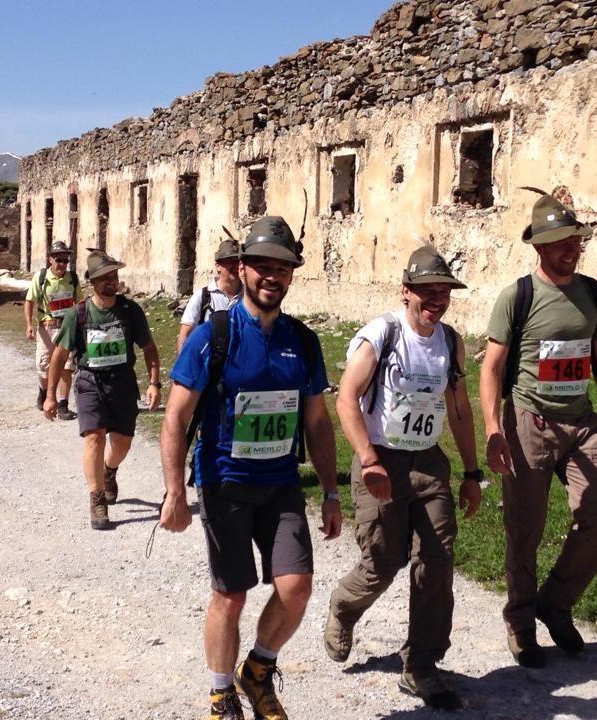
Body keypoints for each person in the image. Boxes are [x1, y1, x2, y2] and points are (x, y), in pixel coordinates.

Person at [159, 215, 342, 720]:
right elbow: (175, 418)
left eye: (281, 267)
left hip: (280, 483)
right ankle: (221, 693)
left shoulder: (302, 341)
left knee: (296, 588)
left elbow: (317, 422)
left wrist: (331, 492)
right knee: (231, 595)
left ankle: (257, 670)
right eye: (261, 265)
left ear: (292, 274)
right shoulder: (212, 336)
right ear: (241, 268)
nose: (271, 276)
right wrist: (175, 492)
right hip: (225, 483)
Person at [478, 191, 597, 668]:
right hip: (530, 421)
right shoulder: (518, 297)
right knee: (525, 529)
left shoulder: (591, 292)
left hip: (582, 423)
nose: (573, 247)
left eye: (576, 239)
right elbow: (491, 367)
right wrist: (493, 428)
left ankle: (555, 602)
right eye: (563, 241)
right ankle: (521, 621)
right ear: (540, 246)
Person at [324, 246, 482, 710]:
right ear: (406, 291)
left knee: (437, 561)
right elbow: (346, 399)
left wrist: (472, 472)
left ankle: (421, 666)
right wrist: (368, 459)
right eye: (427, 291)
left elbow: (459, 408)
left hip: (428, 463)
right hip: (381, 460)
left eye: (444, 292)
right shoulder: (382, 334)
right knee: (382, 561)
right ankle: (344, 606)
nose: (437, 300)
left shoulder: (450, 342)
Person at [44, 249, 161, 530]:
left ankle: (109, 470)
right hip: (90, 381)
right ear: (92, 281)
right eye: (104, 277)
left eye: (114, 275)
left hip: (122, 382)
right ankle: (97, 498)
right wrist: (50, 396)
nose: (112, 281)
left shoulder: (130, 311)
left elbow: (149, 348)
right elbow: (59, 356)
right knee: (94, 437)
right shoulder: (78, 313)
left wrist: (154, 383)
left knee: (122, 443)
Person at [25, 241, 80, 421]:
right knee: (43, 365)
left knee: (67, 366)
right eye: (59, 260)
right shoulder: (41, 278)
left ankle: (63, 404)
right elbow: (29, 301)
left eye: (66, 261)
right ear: (50, 259)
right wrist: (29, 325)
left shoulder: (73, 279)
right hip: (46, 327)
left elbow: (79, 303)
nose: (62, 264)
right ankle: (44, 392)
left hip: (66, 327)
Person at [176, 238, 242, 353]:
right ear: (218, 265)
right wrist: (183, 362)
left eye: (238, 261)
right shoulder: (203, 297)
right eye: (230, 261)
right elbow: (185, 335)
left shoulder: (250, 297)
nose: (235, 265)